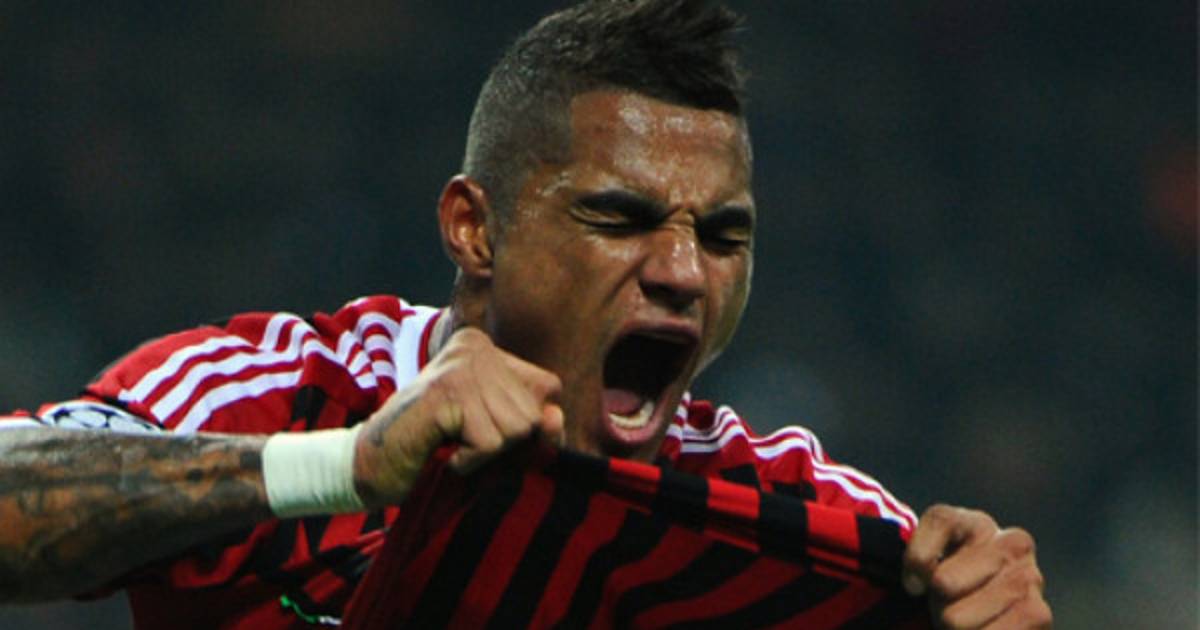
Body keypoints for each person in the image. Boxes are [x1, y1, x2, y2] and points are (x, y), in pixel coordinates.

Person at [0, 1, 1051, 628]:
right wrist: (346, 467)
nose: (684, 271)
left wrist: (983, 607)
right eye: (619, 218)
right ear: (475, 229)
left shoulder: (774, 509)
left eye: (725, 236)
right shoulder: (290, 393)